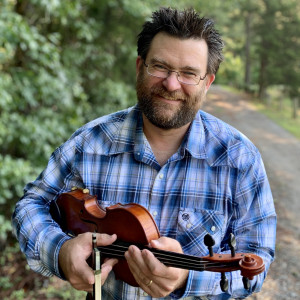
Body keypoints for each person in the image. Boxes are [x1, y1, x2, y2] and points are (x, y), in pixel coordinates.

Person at [12, 7, 276, 300]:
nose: (172, 84)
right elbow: (31, 204)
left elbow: (258, 257)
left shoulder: (240, 158)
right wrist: (60, 252)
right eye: (160, 67)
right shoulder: (91, 141)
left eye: (189, 73)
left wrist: (187, 278)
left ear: (207, 82)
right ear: (140, 66)